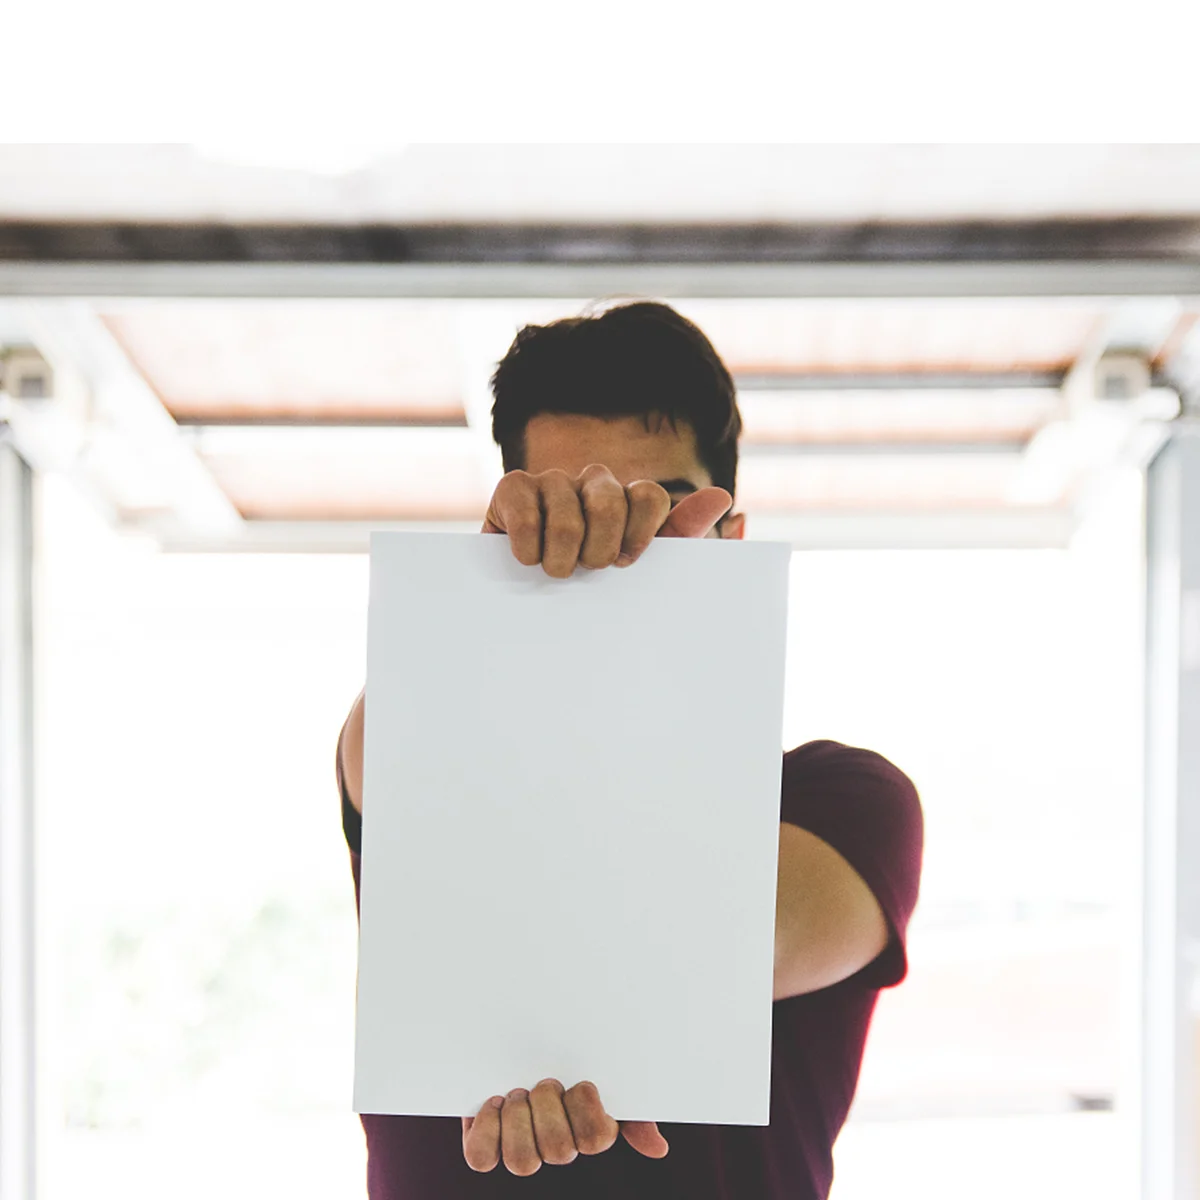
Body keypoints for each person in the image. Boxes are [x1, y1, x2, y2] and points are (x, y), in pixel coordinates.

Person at [335, 300, 924, 1199]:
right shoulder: (414, 721)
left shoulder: (845, 800)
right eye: (572, 513)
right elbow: (391, 744)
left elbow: (707, 948)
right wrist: (496, 613)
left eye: (664, 514)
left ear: (732, 537)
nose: (624, 543)